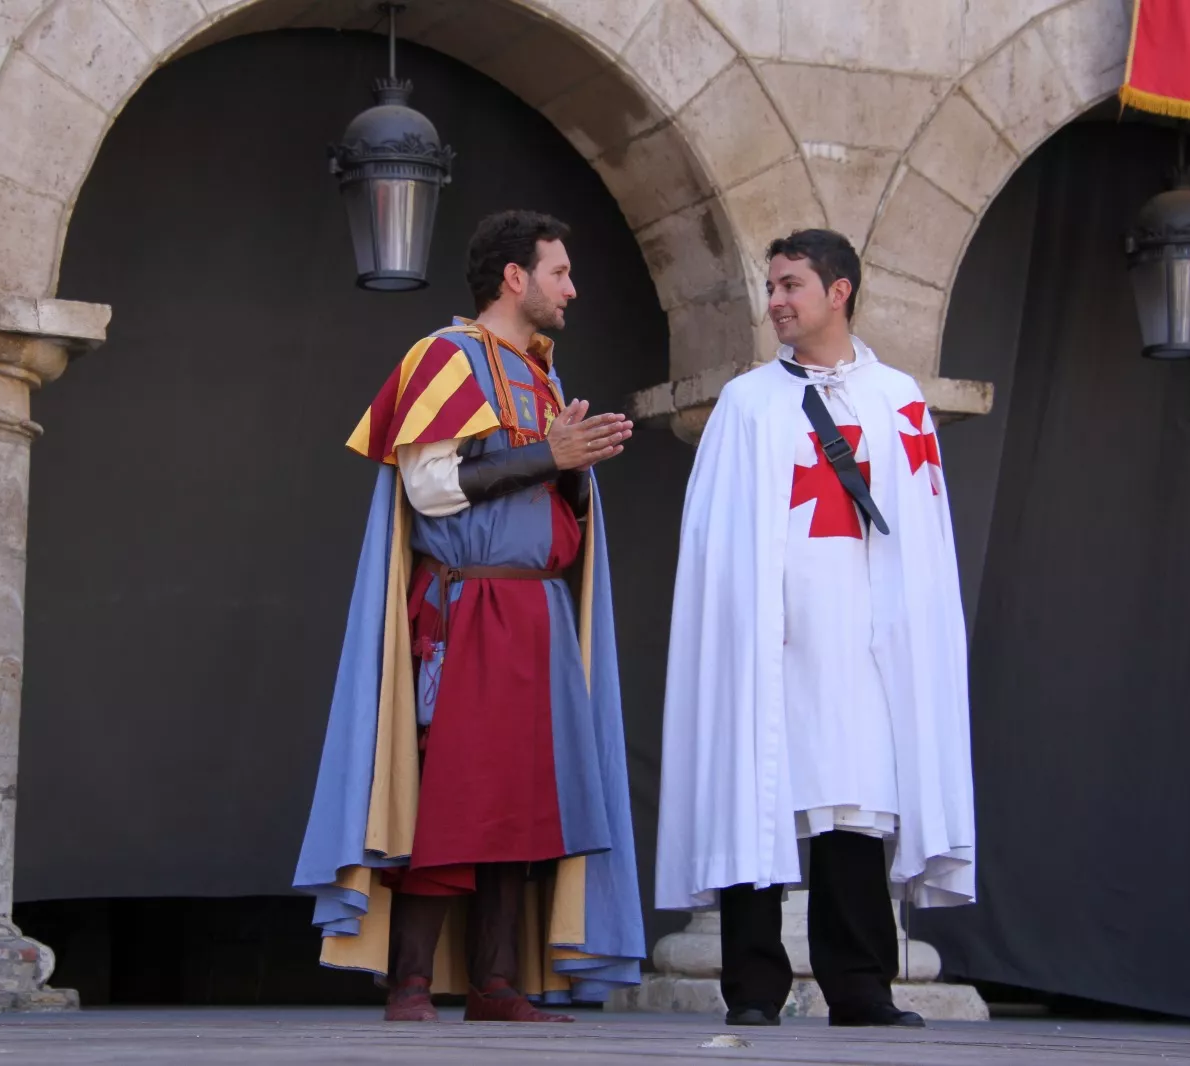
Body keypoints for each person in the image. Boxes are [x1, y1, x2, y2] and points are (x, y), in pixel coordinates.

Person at [294, 210, 644, 1023]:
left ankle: (496, 984)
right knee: (455, 790)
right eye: (559, 272)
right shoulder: (446, 357)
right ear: (515, 277)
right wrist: (550, 455)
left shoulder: (544, 375)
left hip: (538, 608)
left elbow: (548, 500)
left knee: (525, 798)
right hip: (468, 605)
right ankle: (410, 981)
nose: (572, 289)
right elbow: (431, 489)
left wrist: (571, 468)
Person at [655, 229, 975, 1028]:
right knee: (751, 794)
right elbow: (716, 540)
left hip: (862, 645)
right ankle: (753, 990)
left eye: (790, 285)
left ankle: (860, 989)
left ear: (839, 292)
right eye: (771, 287)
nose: (775, 302)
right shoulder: (748, 404)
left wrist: (904, 635)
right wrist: (745, 624)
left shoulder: (898, 400)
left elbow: (923, 538)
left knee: (854, 807)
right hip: (769, 641)